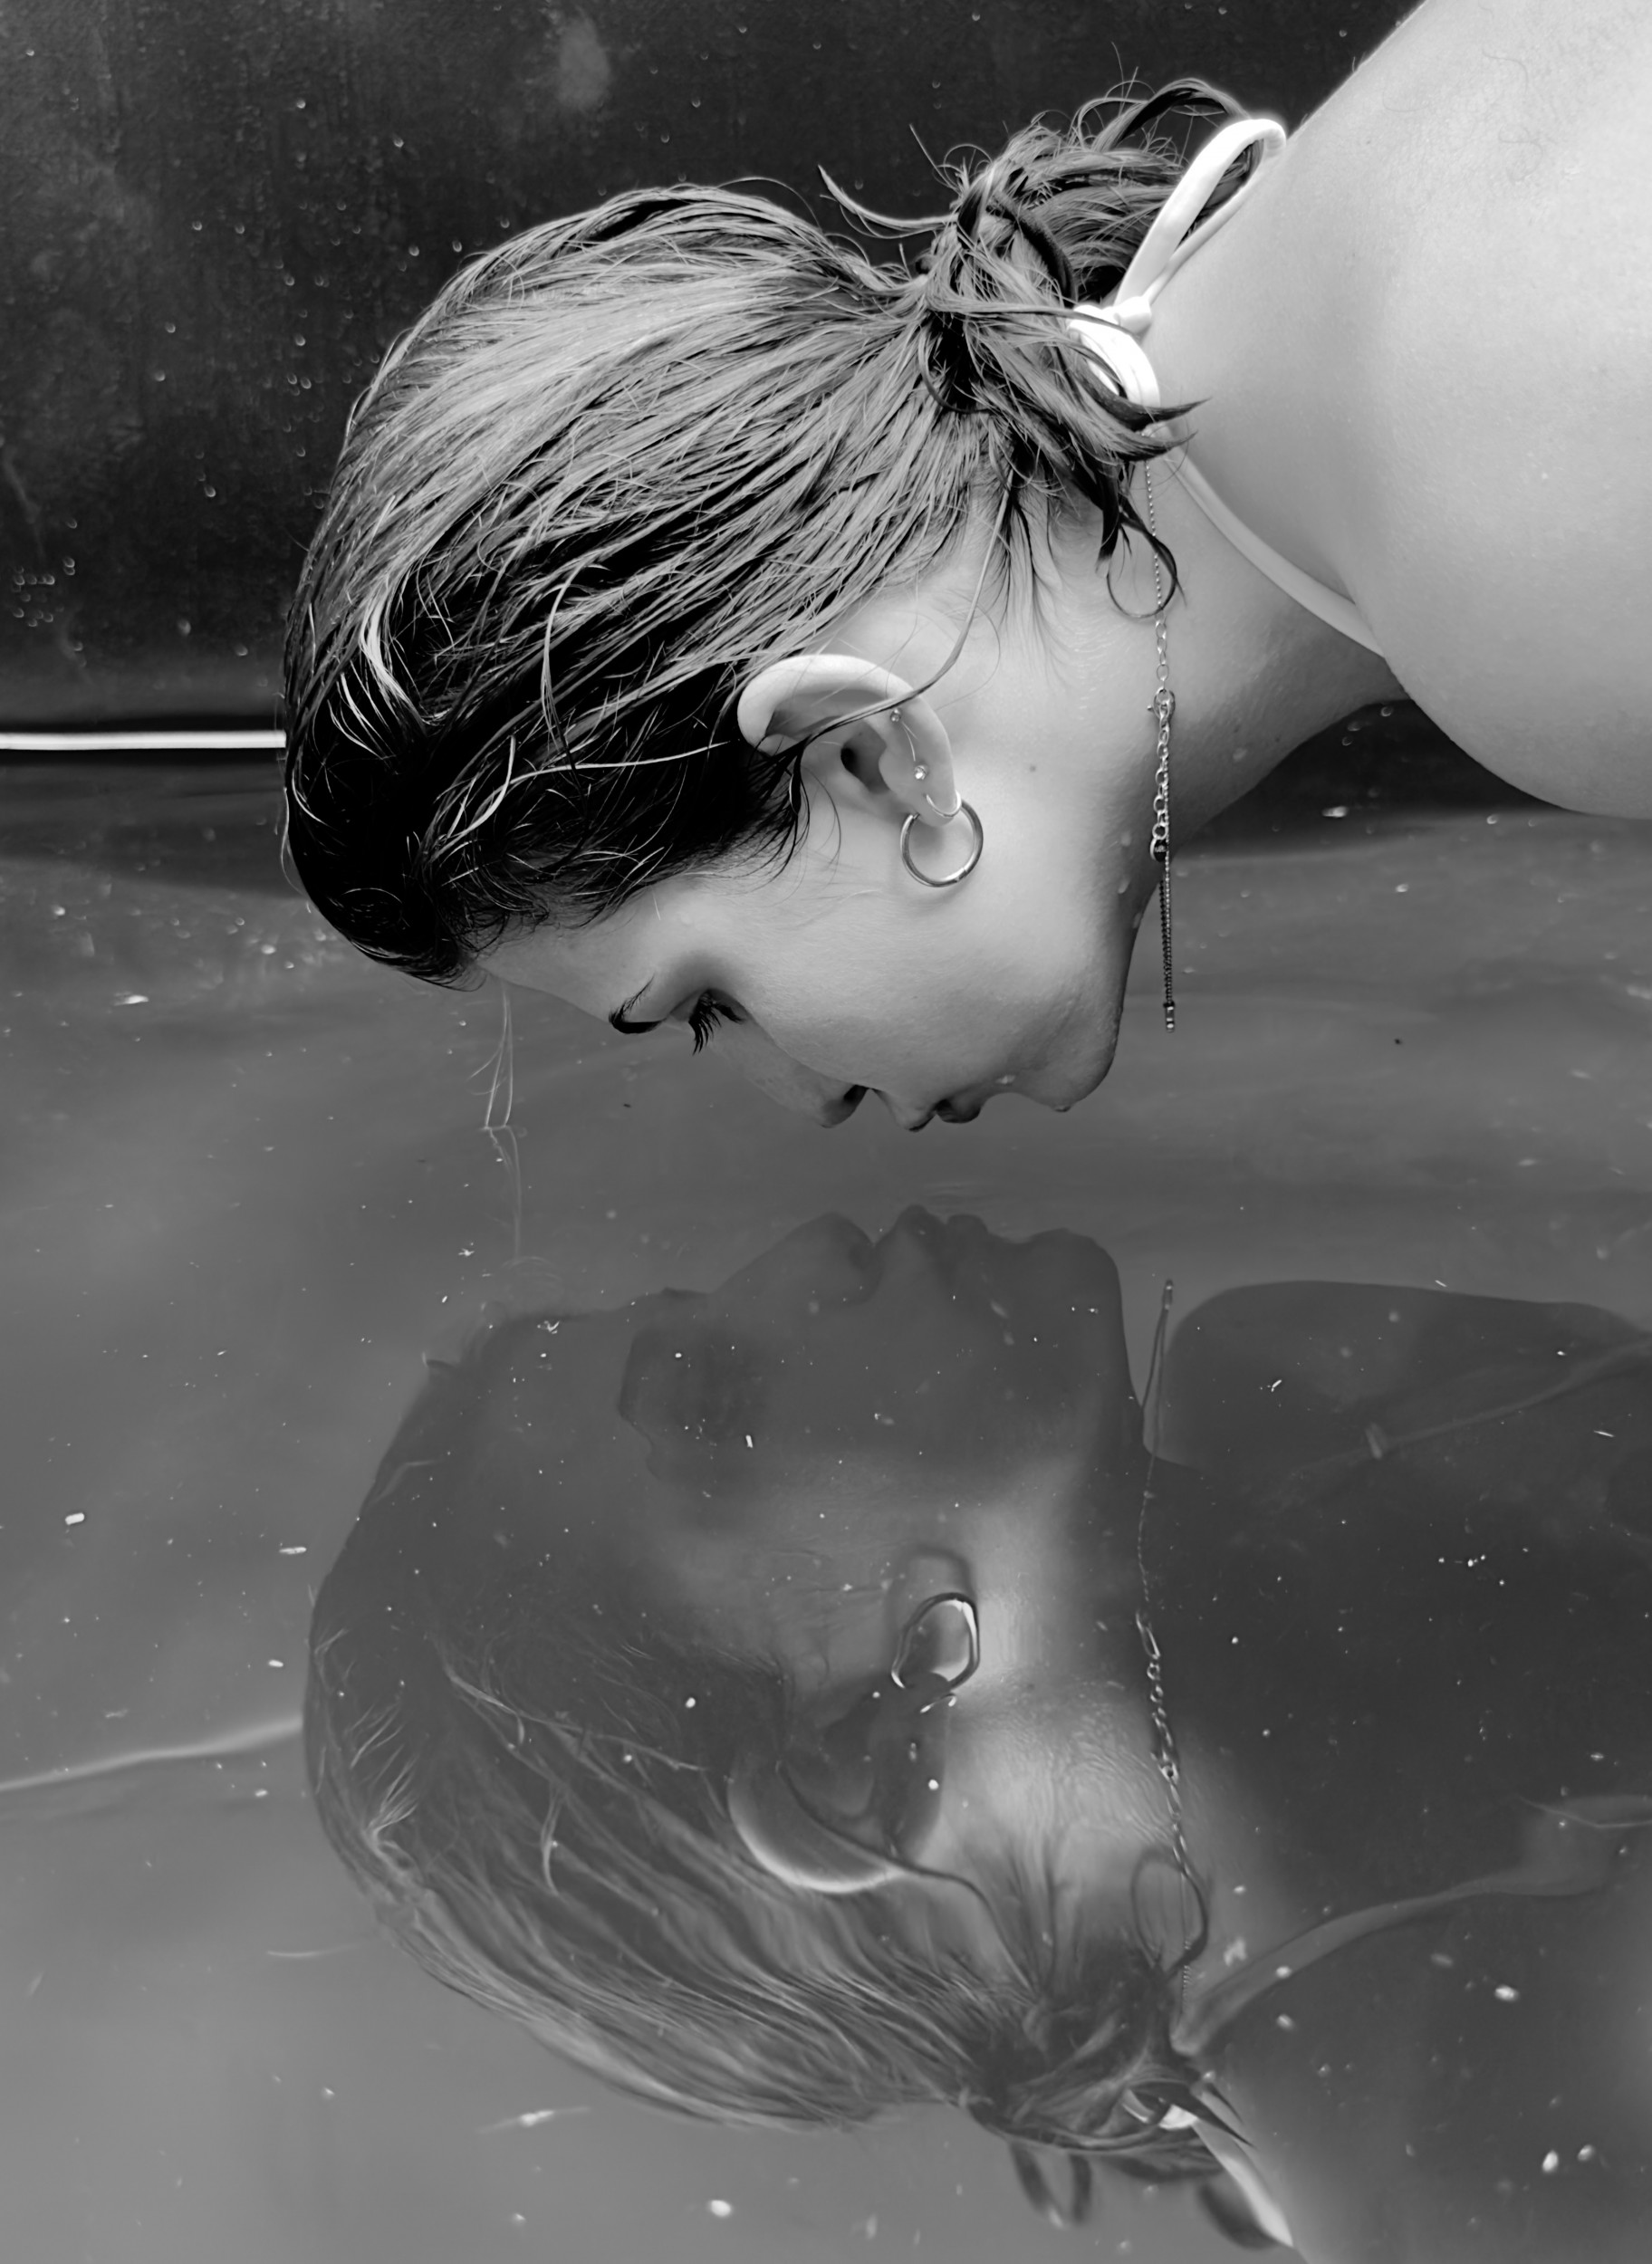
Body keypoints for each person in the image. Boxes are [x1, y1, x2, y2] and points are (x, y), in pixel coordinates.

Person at [281, 0, 1652, 1130]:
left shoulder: (1533, 531)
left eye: (707, 1004)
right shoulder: (1415, 356)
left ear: (870, 756)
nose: (808, 1103)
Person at [307, 1210, 1652, 2257]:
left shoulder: (1298, 1385)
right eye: (714, 1394)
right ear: (859, 1755)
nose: (806, 1248)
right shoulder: (1495, 2186)